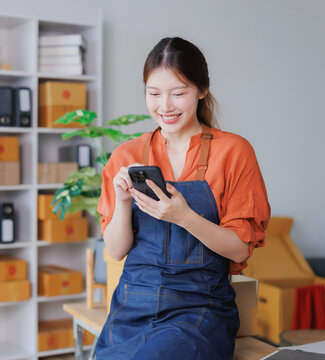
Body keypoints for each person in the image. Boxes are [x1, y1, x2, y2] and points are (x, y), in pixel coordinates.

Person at [95, 37, 271, 359]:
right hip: (132, 306)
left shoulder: (233, 152)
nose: (165, 106)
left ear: (202, 90)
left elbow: (239, 247)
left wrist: (184, 217)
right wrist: (123, 202)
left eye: (179, 93)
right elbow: (116, 251)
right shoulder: (127, 154)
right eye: (154, 93)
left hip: (198, 310)